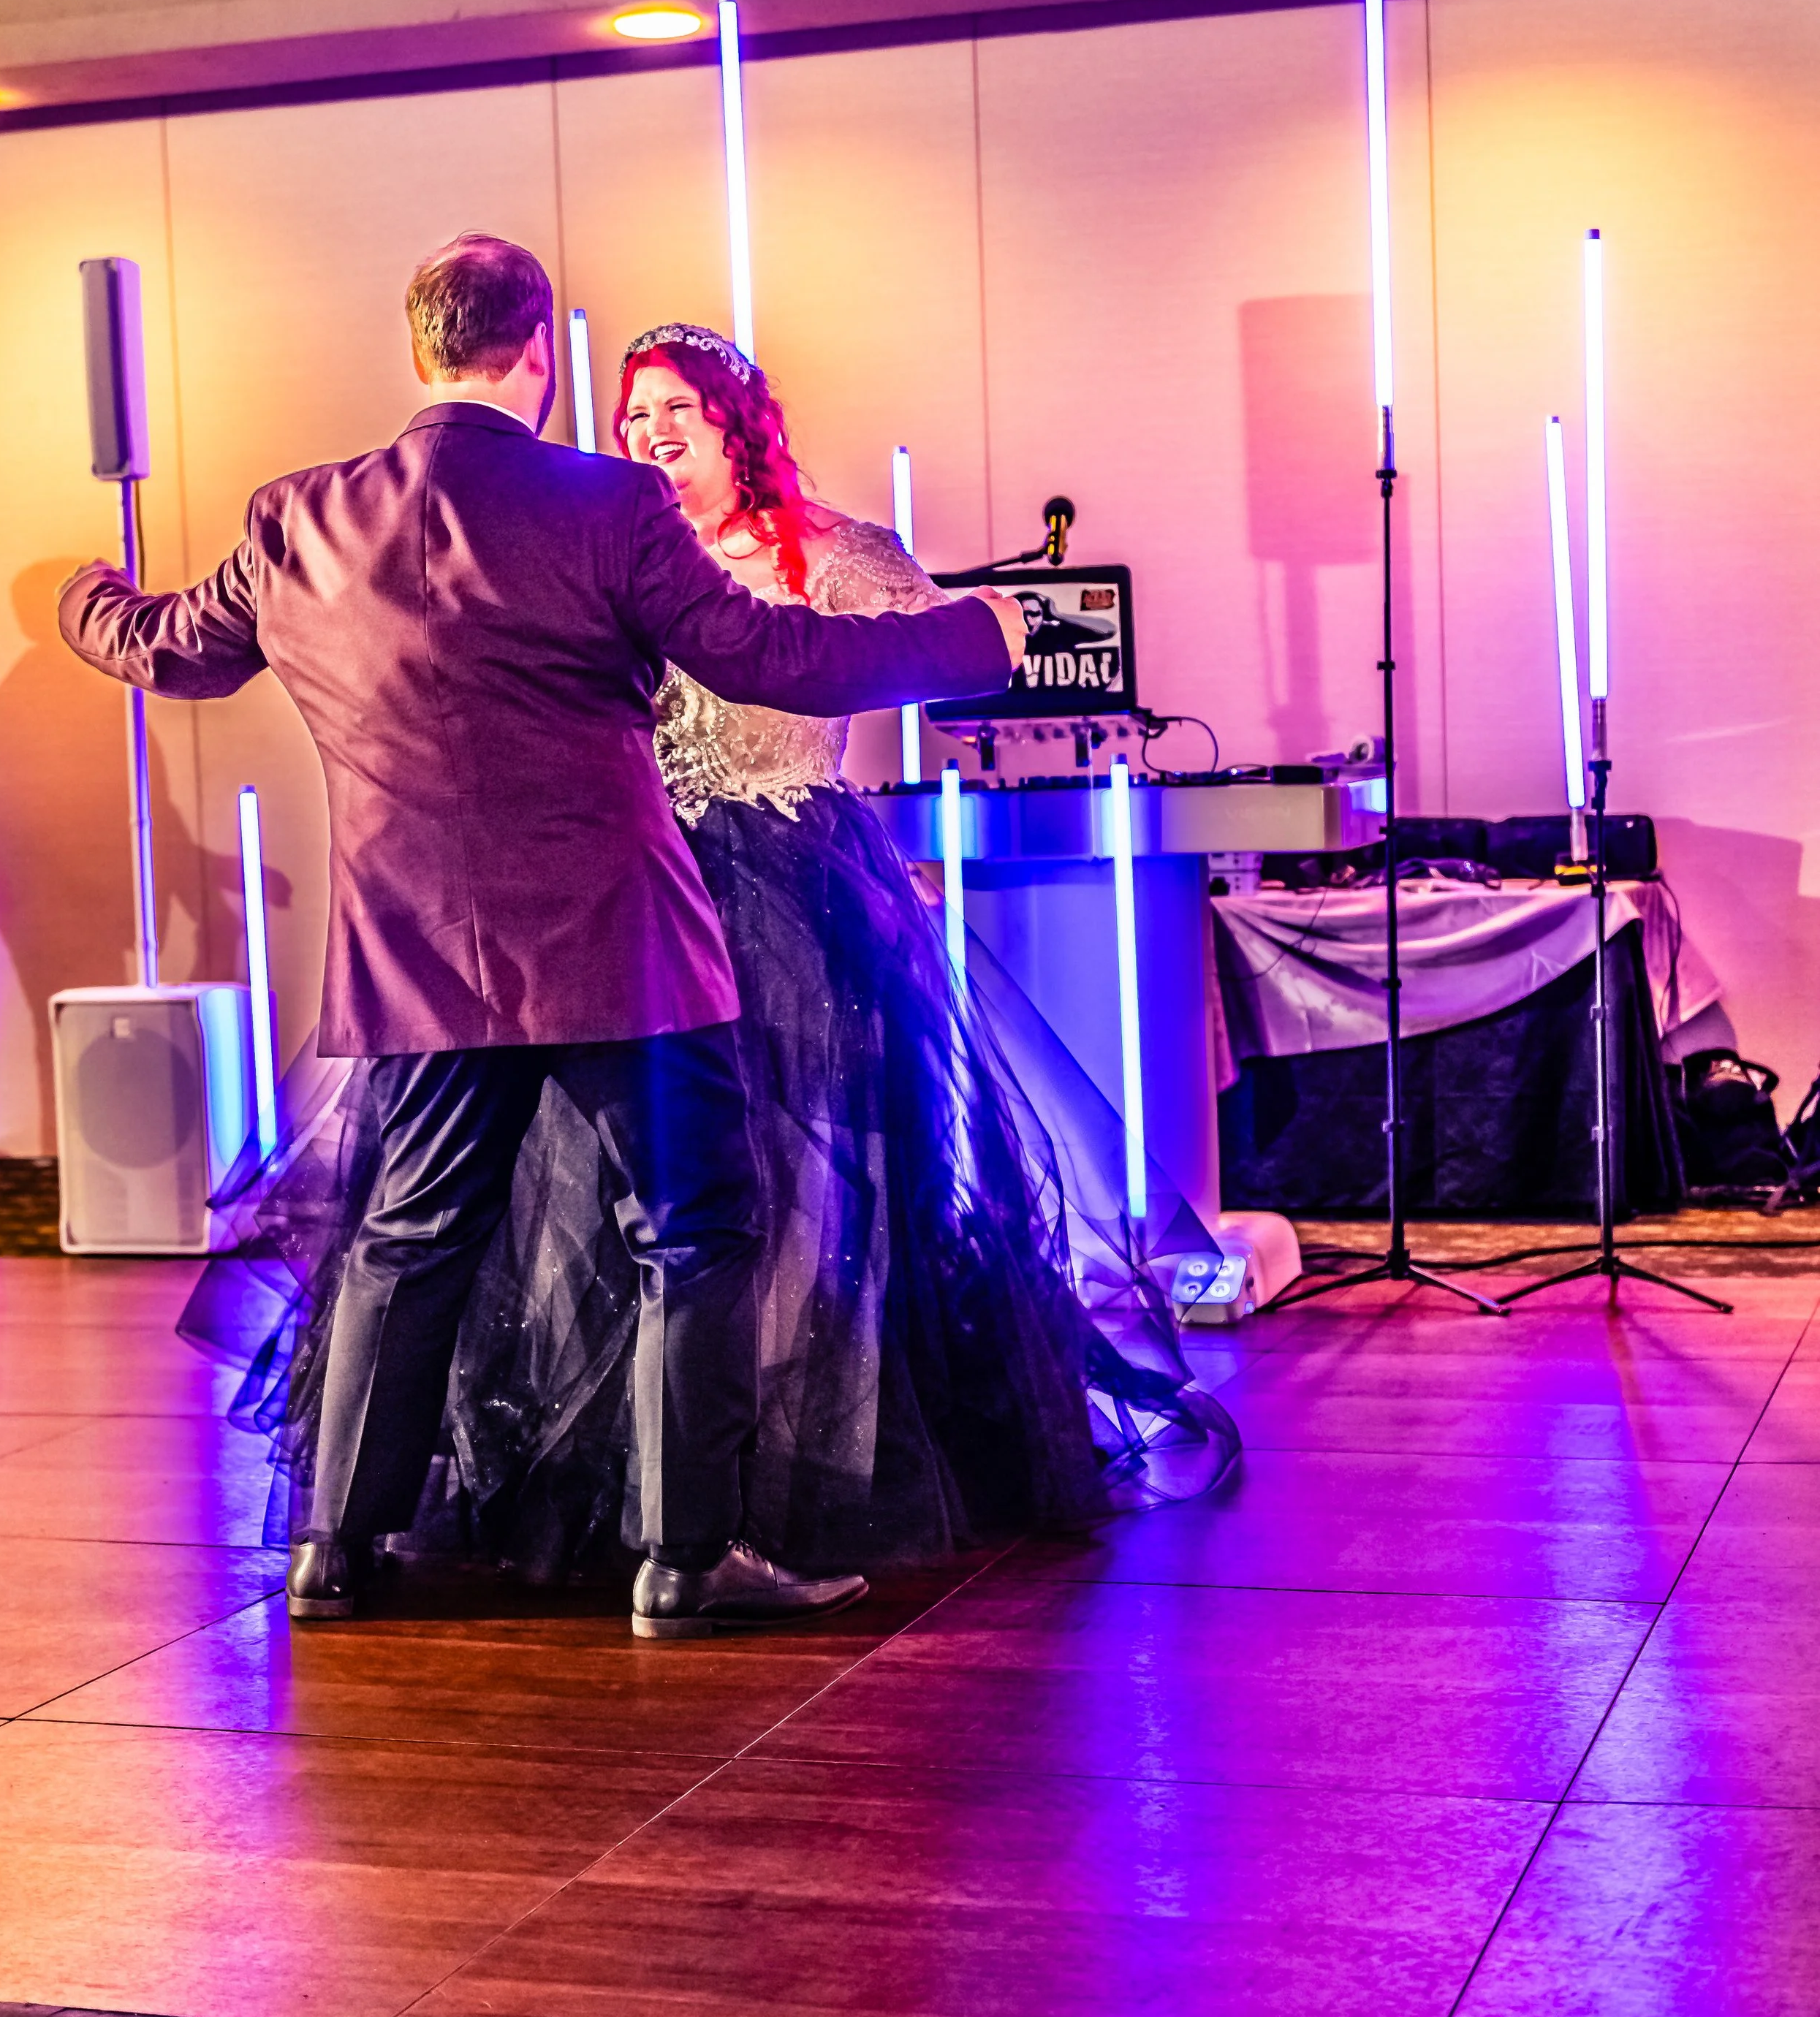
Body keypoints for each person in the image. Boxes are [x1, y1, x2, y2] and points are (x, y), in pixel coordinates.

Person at [57, 234, 1026, 1638]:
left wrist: (79, 590)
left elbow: (168, 648)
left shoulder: (300, 518)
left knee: (407, 1235)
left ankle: (335, 1549)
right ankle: (683, 1563)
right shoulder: (608, 503)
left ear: (418, 351)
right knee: (694, 1233)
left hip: (417, 954)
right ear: (539, 354)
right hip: (617, 945)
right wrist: (969, 635)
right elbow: (772, 658)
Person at [185, 323, 1237, 1594]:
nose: (648, 432)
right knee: (641, 1225)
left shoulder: (806, 548)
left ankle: (721, 1491)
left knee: (792, 1207)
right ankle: (665, 1536)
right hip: (621, 911)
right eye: (634, 415)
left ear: (739, 423)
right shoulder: (607, 534)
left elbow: (848, 663)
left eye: (675, 408)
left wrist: (978, 633)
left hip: (793, 903)